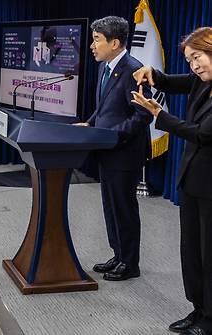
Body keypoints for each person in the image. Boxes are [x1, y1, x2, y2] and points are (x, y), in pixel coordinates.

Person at [131, 27, 212, 335]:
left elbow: (202, 133)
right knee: (191, 250)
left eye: (198, 57)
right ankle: (199, 308)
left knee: (209, 255)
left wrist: (159, 116)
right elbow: (169, 81)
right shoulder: (201, 81)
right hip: (192, 182)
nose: (194, 65)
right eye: (190, 59)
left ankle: (210, 320)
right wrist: (152, 72)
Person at [74, 16, 152, 281]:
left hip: (124, 152)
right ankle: (118, 255)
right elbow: (105, 106)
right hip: (106, 149)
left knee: (124, 208)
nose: (92, 46)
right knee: (110, 206)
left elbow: (142, 115)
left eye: (97, 40)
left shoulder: (134, 70)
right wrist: (91, 123)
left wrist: (109, 135)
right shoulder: (106, 66)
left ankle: (130, 264)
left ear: (115, 42)